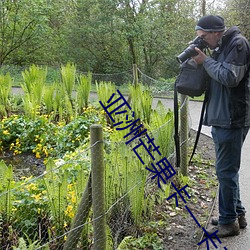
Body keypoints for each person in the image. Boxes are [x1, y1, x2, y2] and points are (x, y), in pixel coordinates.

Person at [192, 15, 250, 237]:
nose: (203, 41)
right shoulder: (221, 46)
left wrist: (205, 61)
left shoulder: (238, 44)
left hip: (232, 118)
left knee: (225, 171)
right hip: (222, 117)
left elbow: (230, 77)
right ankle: (237, 214)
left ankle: (228, 222)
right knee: (227, 171)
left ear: (216, 32)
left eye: (204, 37)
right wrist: (201, 59)